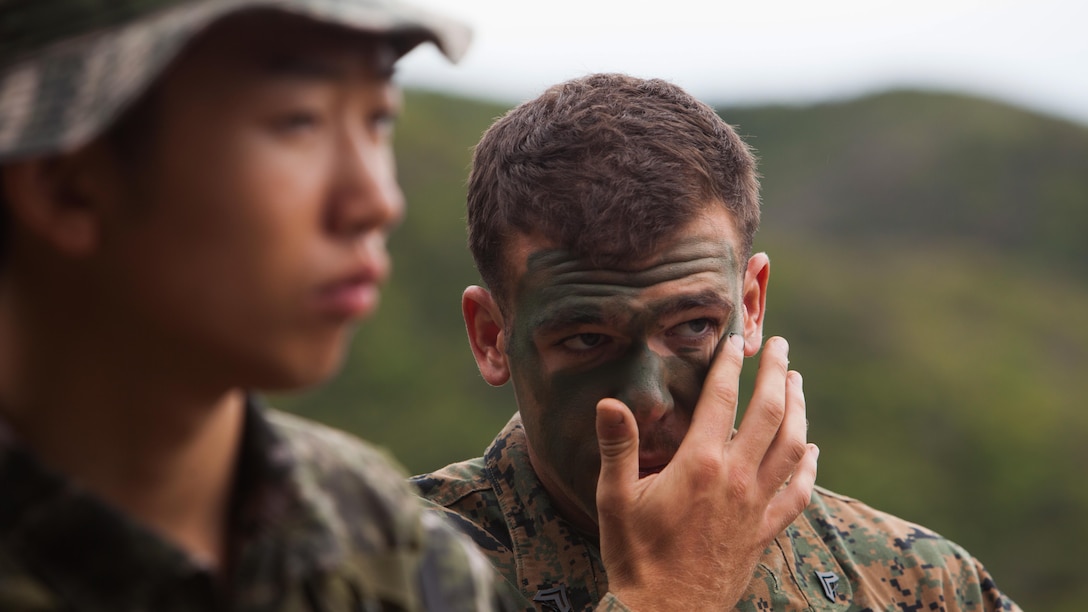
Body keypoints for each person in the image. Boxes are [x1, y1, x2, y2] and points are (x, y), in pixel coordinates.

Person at [412, 73, 1020, 611]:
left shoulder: (918, 578)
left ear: (750, 306)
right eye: (587, 338)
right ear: (493, 337)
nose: (647, 401)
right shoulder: (370, 566)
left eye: (694, 326)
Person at [0, 1, 518, 609]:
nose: (377, 200)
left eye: (378, 119)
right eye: (299, 121)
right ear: (67, 185)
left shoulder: (387, 542)